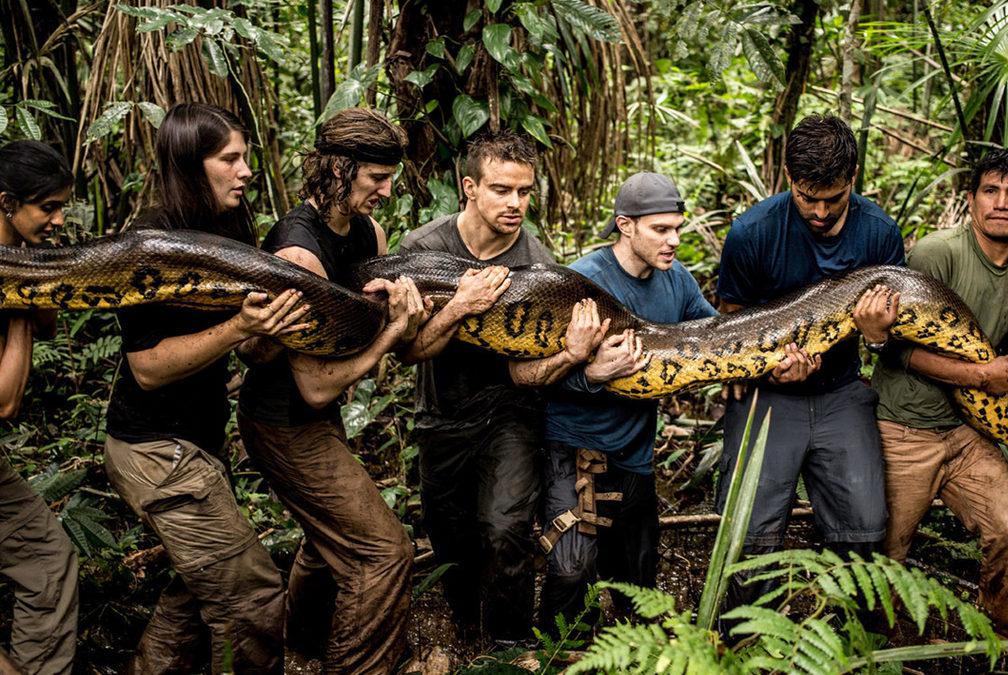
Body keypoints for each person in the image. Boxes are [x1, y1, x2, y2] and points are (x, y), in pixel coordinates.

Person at [104, 103, 307, 673]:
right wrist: (241, 326)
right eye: (230, 159)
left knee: (194, 596)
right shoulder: (149, 244)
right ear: (191, 164)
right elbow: (147, 367)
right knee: (251, 599)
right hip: (153, 447)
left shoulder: (227, 224)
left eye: (246, 157)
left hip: (197, 442)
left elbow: (245, 345)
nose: (246, 171)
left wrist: (273, 329)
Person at [237, 108, 428, 672]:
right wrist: (392, 333)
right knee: (384, 551)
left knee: (330, 541)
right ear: (340, 170)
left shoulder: (370, 233)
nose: (387, 192)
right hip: (283, 420)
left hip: (318, 417)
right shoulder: (298, 251)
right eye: (377, 178)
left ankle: (303, 644)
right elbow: (315, 385)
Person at [714, 114, 903, 608]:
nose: (820, 212)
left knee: (863, 523)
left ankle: (847, 631)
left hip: (841, 389)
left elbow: (895, 337)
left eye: (834, 199)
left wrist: (877, 337)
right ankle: (743, 635)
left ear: (854, 177)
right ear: (788, 177)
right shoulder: (752, 232)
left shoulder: (879, 233)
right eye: (807, 198)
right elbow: (731, 319)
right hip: (768, 394)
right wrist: (764, 369)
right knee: (750, 528)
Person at [872, 149, 1008, 634]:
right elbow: (895, 350)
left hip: (966, 434)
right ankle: (883, 650)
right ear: (971, 199)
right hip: (905, 430)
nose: (1001, 203)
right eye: (990, 191)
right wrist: (978, 377)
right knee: (887, 556)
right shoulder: (938, 254)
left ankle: (998, 635)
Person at [529, 172, 717, 628]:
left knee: (639, 577)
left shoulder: (678, 281)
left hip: (635, 452)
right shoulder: (581, 281)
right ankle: (556, 651)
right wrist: (592, 374)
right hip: (574, 446)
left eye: (678, 228)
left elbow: (716, 338)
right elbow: (535, 375)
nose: (674, 241)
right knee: (572, 569)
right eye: (661, 230)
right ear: (625, 225)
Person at [399, 129, 556, 644]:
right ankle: (469, 626)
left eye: (524, 191)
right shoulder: (424, 248)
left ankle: (510, 643)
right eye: (501, 190)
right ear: (469, 187)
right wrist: (461, 306)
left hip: (511, 411)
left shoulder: (537, 264)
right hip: (441, 411)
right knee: (449, 531)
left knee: (506, 527)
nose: (516, 203)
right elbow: (409, 349)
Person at [0, 140, 78, 674]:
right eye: (48, 207)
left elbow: (47, 326)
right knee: (46, 561)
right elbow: (5, 401)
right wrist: (23, 296)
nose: (59, 220)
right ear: (7, 203)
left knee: (48, 563)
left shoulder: (19, 259)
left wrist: (32, 280)